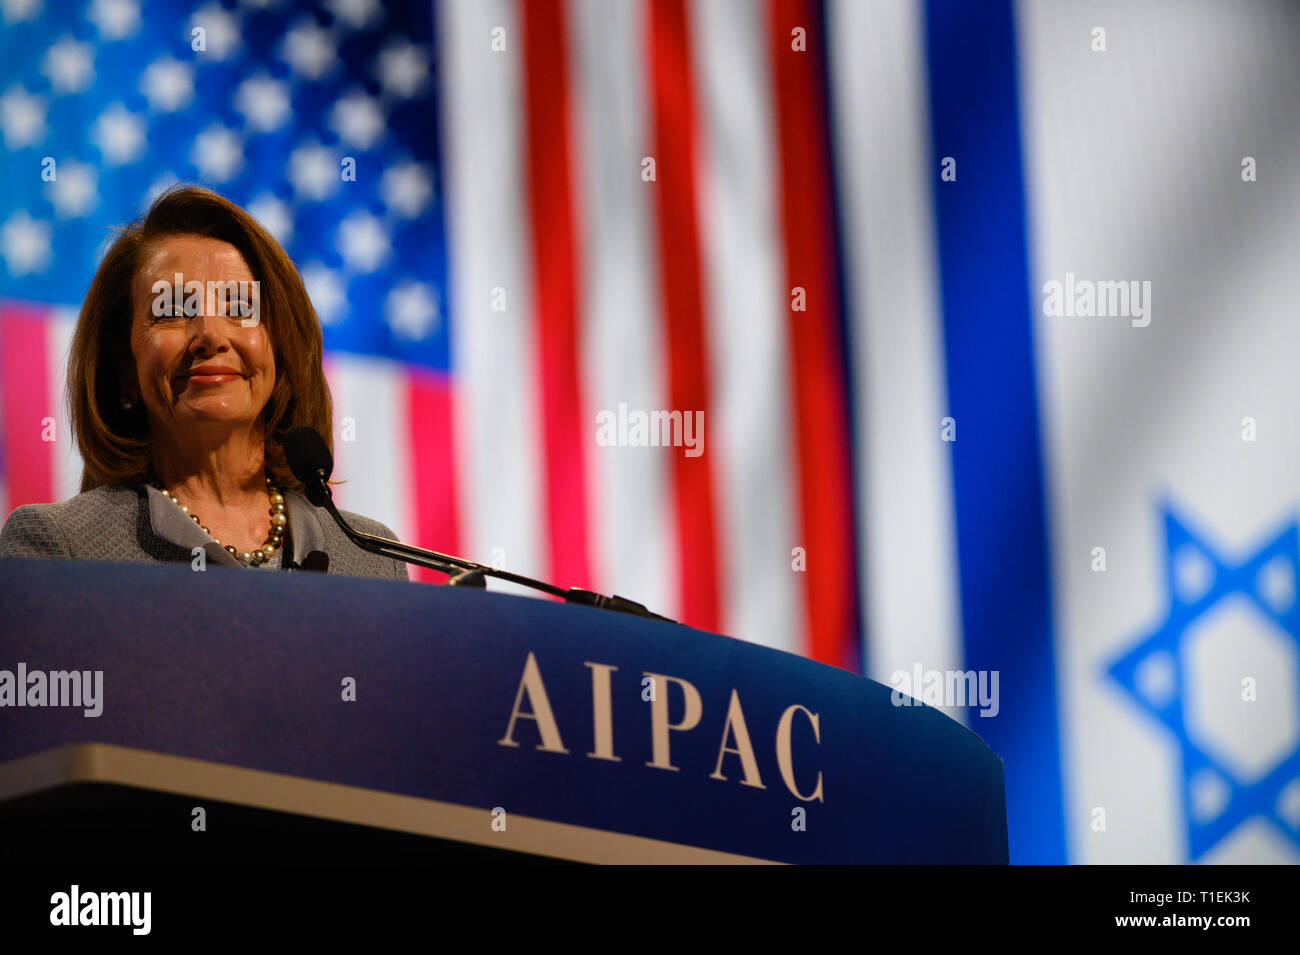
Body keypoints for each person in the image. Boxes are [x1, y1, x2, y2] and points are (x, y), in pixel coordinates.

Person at [0, 185, 408, 581]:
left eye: (239, 307)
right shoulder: (60, 549)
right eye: (173, 311)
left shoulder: (370, 561)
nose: (211, 336)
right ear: (125, 367)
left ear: (280, 352)